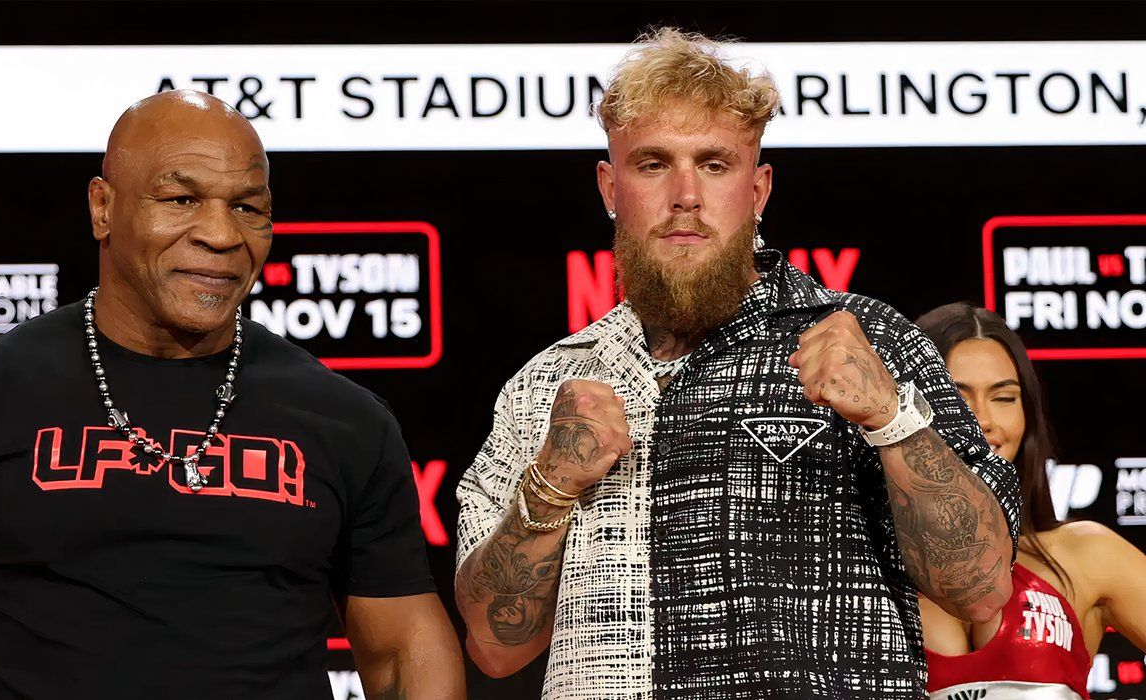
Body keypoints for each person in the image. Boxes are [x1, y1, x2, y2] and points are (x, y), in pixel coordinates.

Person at [454, 28, 1021, 699]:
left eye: (715, 165)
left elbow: (980, 589)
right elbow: (493, 646)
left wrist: (890, 418)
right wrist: (552, 481)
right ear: (610, 185)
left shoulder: (873, 342)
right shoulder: (546, 383)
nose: (686, 194)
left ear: (758, 190)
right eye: (654, 163)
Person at [0, 90, 464, 700]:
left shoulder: (345, 419)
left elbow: (406, 651)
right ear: (102, 207)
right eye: (182, 200)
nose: (223, 235)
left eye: (248, 208)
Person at [916, 303, 1146, 699]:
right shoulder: (859, 565)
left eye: (1004, 397)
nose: (981, 419)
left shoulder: (1086, 556)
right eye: (956, 396)